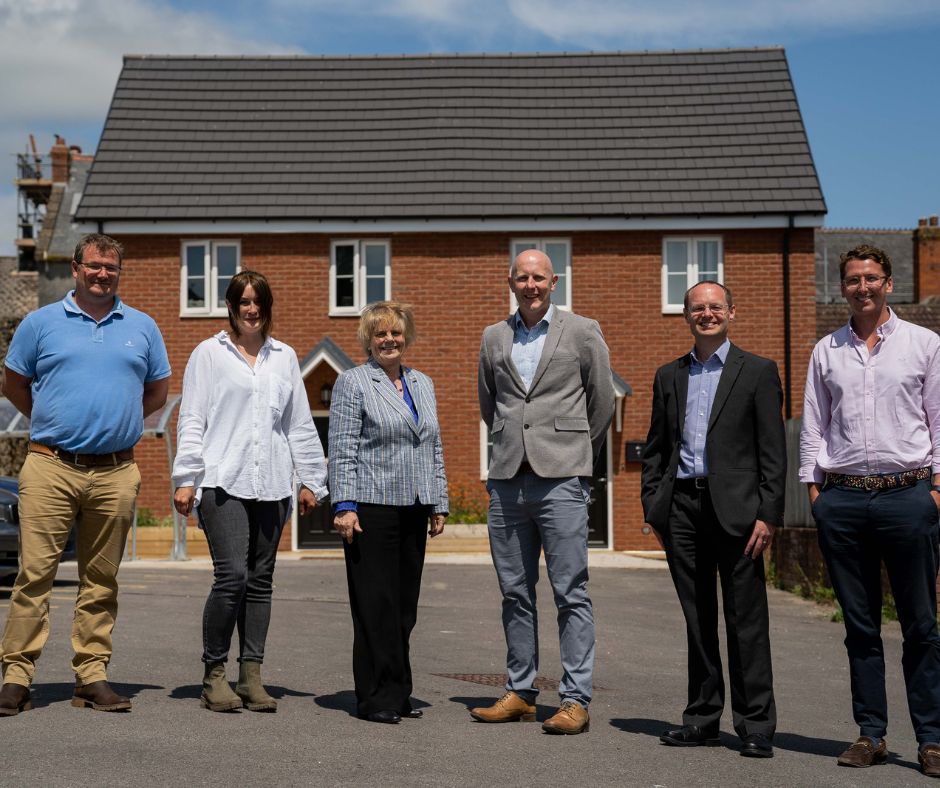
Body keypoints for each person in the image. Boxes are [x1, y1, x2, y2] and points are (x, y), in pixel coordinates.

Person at [0, 233, 170, 715]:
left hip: (115, 471)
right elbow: (13, 383)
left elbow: (156, 392)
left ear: (119, 273)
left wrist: (118, 420)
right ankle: (16, 677)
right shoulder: (41, 323)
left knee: (102, 577)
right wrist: (53, 421)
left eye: (111, 268)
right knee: (35, 574)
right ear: (76, 268)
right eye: (93, 266)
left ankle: (90, 676)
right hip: (50, 466)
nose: (102, 274)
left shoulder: (142, 327)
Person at [800, 244, 940, 776]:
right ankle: (871, 735)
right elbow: (813, 424)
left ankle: (931, 739)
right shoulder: (826, 351)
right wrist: (816, 495)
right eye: (854, 278)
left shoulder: (924, 344)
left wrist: (936, 492)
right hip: (844, 501)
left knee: (921, 626)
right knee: (860, 627)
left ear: (888, 283)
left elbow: (939, 418)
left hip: (909, 497)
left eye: (872, 277)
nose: (863, 286)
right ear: (843, 286)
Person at [640, 281, 784, 758]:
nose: (707, 314)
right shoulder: (669, 375)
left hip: (740, 512)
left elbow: (772, 451)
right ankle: (701, 718)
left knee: (746, 620)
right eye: (698, 308)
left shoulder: (759, 372)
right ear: (686, 316)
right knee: (697, 618)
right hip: (683, 508)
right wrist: (653, 506)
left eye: (715, 307)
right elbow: (657, 447)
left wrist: (768, 513)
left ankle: (756, 725)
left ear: (731, 313)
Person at [172, 270, 327, 713]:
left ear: (268, 307)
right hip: (223, 480)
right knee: (232, 577)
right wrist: (187, 478)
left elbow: (298, 422)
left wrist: (312, 479)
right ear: (231, 306)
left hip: (273, 483)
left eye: (258, 302)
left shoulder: (284, 357)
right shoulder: (209, 354)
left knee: (260, 582)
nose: (251, 309)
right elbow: (193, 418)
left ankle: (251, 676)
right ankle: (214, 674)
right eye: (243, 301)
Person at [473, 249, 614, 735]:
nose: (530, 285)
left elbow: (601, 400)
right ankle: (521, 691)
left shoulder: (581, 330)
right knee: (515, 591)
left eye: (539, 277)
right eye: (522, 278)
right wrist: (519, 443)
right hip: (509, 479)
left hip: (563, 478)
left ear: (554, 282)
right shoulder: (494, 336)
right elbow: (491, 405)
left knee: (569, 591)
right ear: (510, 282)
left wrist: (572, 451)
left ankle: (575, 699)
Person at [328, 301, 447, 724]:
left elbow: (433, 445)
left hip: (414, 508)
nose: (389, 340)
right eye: (380, 333)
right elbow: (341, 448)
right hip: (371, 510)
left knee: (403, 609)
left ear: (406, 337)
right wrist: (344, 505)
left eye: (396, 332)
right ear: (368, 338)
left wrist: (439, 502)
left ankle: (398, 692)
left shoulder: (423, 383)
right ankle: (374, 698)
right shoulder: (354, 383)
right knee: (374, 605)